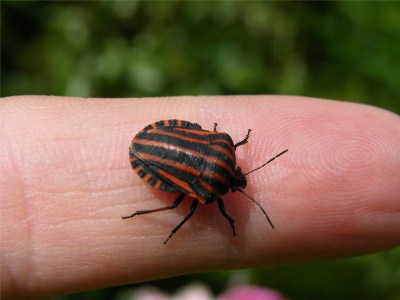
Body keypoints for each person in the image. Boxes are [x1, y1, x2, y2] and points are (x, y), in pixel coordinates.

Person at [1, 95, 399, 299]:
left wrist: (224, 141)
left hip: (161, 138)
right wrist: (225, 221)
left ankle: (143, 211)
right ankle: (143, 212)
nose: (241, 181)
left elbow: (219, 139)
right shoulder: (209, 190)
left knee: (182, 202)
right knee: (180, 206)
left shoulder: (223, 150)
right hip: (158, 151)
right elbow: (197, 204)